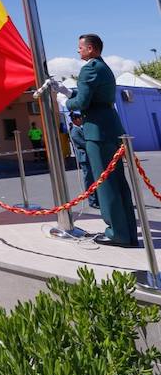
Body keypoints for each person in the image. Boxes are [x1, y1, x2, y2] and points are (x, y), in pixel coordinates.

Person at [59, 33, 137, 248]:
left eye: (80, 47)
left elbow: (83, 102)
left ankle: (116, 233)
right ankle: (127, 231)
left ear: (91, 48)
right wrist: (72, 93)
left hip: (97, 131)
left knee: (106, 184)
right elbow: (92, 95)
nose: (78, 51)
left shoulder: (89, 68)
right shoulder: (102, 67)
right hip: (110, 128)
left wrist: (66, 99)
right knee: (118, 183)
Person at [68, 111, 99, 209]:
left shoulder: (79, 129)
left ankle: (97, 199)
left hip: (88, 157)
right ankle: (92, 200)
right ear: (76, 119)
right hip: (84, 157)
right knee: (89, 179)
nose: (82, 120)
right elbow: (84, 143)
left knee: (94, 178)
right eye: (80, 118)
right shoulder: (75, 131)